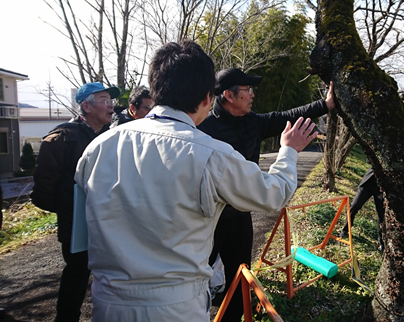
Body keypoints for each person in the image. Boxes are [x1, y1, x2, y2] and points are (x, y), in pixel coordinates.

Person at [74, 40, 318, 322]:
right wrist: (288, 150)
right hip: (177, 307)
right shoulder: (210, 153)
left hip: (107, 306)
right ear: (207, 98)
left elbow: (82, 240)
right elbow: (274, 195)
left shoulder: (97, 149)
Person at [197, 68, 335, 321]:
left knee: (240, 273)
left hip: (240, 216)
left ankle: (234, 315)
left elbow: (288, 115)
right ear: (228, 94)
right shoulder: (203, 128)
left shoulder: (253, 121)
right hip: (207, 220)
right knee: (197, 277)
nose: (252, 95)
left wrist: (325, 105)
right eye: (248, 90)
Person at [30, 82, 119, 322]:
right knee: (77, 274)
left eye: (111, 101)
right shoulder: (61, 139)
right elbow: (43, 191)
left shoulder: (112, 137)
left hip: (108, 220)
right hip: (77, 224)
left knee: (109, 273)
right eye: (104, 100)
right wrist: (70, 210)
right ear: (86, 106)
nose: (111, 106)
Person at [338, 166, 385, 252]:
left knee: (381, 215)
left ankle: (381, 241)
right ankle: (345, 230)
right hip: (368, 183)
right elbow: (369, 159)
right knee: (354, 206)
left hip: (382, 187)